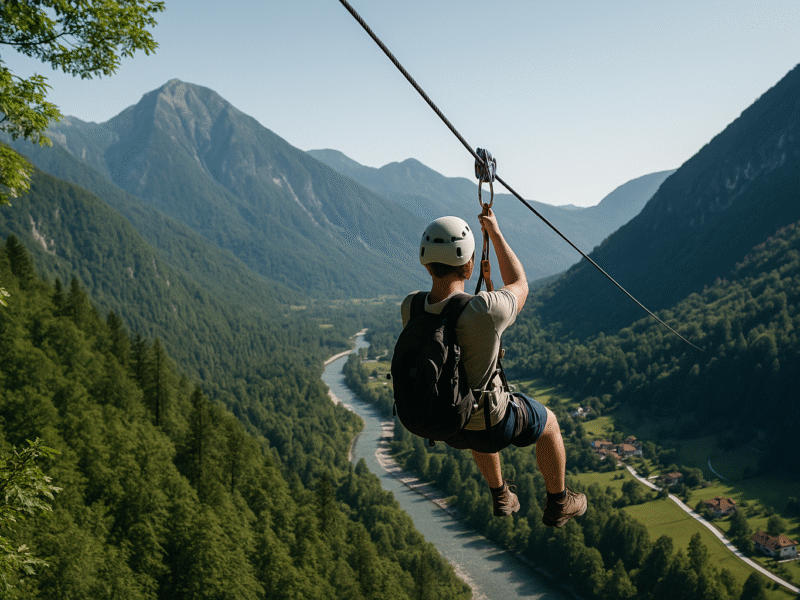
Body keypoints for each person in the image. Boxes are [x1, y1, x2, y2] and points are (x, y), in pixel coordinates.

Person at [401, 211, 587, 525]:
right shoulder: (484, 310)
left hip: (447, 425)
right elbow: (519, 284)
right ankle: (559, 502)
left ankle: (501, 494)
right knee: (550, 424)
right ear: (469, 263)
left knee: (468, 402)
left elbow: (451, 313)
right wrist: (496, 235)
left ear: (425, 262)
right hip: (492, 424)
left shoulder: (411, 306)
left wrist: (483, 288)